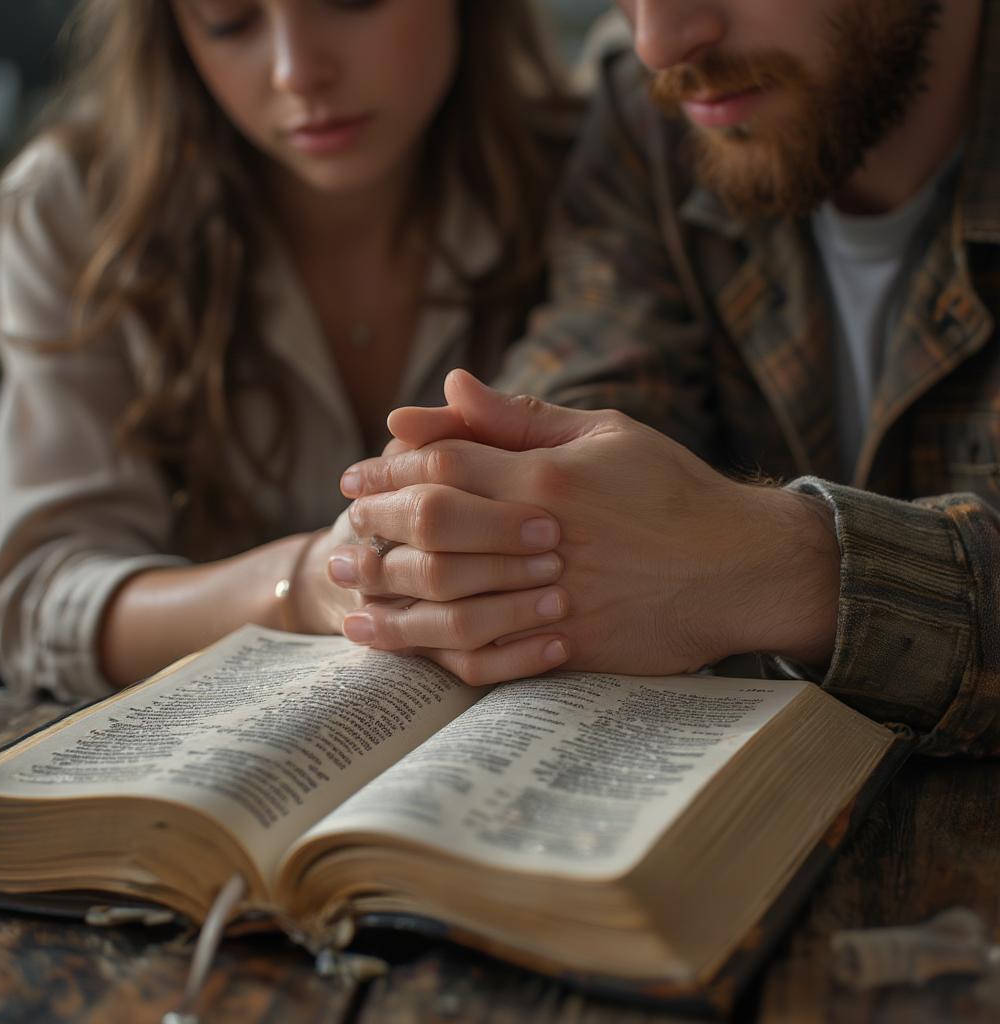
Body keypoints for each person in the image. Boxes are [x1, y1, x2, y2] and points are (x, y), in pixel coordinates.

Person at [323, 0, 1000, 757]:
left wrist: (789, 566)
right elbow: (595, 366)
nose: (659, 42)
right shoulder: (656, 114)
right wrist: (486, 503)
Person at [0, 0, 574, 699]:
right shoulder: (82, 207)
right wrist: (307, 586)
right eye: (230, 21)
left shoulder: (590, 175)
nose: (298, 73)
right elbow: (42, 598)